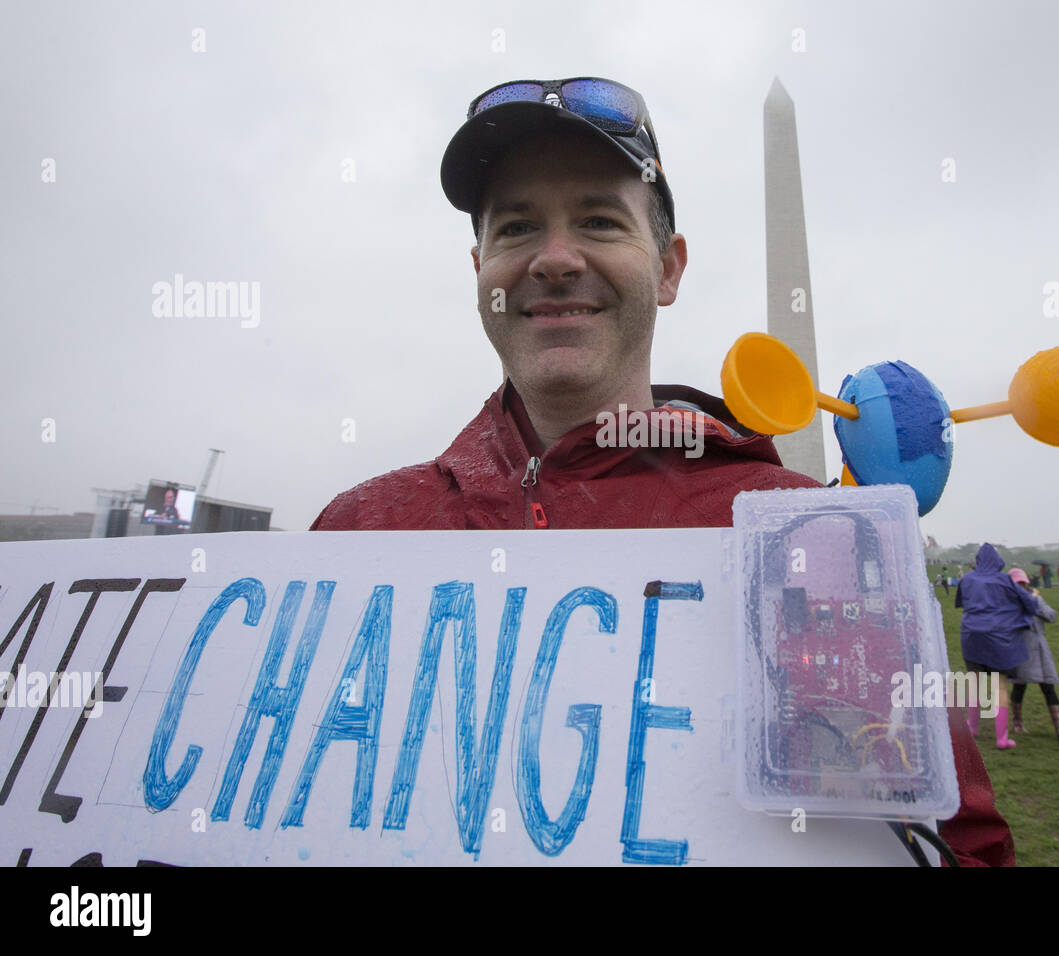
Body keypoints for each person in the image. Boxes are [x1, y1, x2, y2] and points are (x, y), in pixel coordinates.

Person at [310, 76, 1013, 866]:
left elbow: (961, 847)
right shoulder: (359, 528)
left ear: (669, 269)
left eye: (600, 221)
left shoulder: (813, 546)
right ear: (481, 269)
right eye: (516, 229)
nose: (554, 259)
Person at [955, 544, 1036, 750]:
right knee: (1000, 686)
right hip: (1000, 639)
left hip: (971, 637)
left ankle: (972, 727)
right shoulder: (1005, 579)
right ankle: (1002, 738)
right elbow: (1028, 602)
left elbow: (961, 602)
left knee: (975, 683)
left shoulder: (967, 579)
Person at [1006, 569, 1059, 743]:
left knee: (1048, 686)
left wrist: (1034, 604)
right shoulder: (1008, 602)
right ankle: (1018, 723)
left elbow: (1052, 616)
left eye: (1023, 583)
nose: (1021, 586)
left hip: (1040, 648)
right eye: (1017, 584)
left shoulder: (1036, 598)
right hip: (1021, 648)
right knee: (1020, 687)